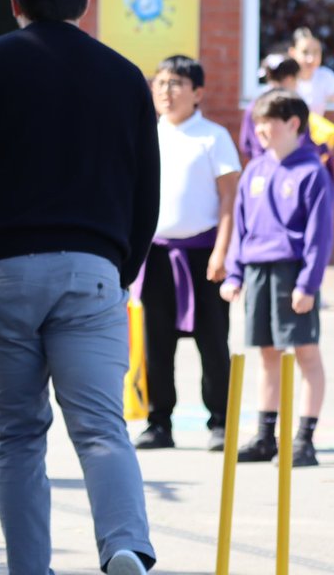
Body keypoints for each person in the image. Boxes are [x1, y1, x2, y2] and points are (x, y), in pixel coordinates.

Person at [0, 0, 159, 575]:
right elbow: (146, 193)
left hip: (1, 269)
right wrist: (120, 268)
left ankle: (30, 569)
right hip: (92, 268)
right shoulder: (124, 76)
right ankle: (124, 547)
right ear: (86, 1)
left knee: (19, 436)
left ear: (14, 2)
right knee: (102, 426)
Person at [219, 89, 334, 468]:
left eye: (267, 122)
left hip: (292, 272)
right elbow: (241, 228)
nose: (260, 130)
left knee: (305, 354)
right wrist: (235, 272)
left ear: (293, 123)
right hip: (258, 271)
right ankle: (265, 436)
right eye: (257, 122)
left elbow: (319, 236)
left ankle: (304, 438)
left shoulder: (311, 172)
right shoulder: (255, 170)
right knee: (267, 354)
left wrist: (307, 285)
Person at [134, 55, 240, 454]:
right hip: (156, 256)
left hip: (203, 255)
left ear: (197, 92)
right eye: (160, 82)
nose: (166, 91)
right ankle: (158, 422)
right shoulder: (146, 135)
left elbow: (229, 198)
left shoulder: (212, 137)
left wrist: (222, 251)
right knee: (156, 345)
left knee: (212, 342)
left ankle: (221, 421)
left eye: (176, 83)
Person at [241, 54, 334, 183]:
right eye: (297, 80)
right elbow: (303, 142)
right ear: (289, 79)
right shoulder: (293, 108)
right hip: (291, 175)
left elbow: (245, 145)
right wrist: (323, 148)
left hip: (260, 175)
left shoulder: (253, 106)